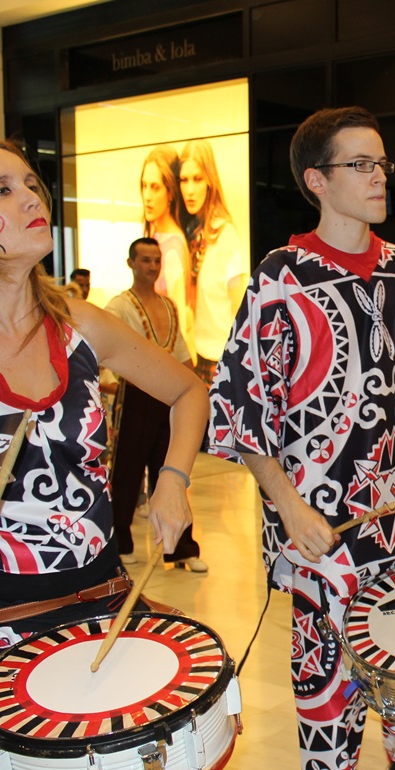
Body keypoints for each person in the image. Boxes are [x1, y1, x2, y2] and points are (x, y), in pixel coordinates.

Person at [0, 137, 209, 770]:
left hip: (96, 608)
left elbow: (189, 391)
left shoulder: (80, 326)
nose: (31, 197)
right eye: (1, 190)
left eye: (30, 183)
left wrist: (175, 480)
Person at [206, 106, 395, 770]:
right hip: (325, 525)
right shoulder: (281, 279)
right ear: (316, 180)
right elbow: (242, 409)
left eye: (382, 163)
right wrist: (286, 504)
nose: (379, 176)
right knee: (326, 677)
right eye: (361, 164)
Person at [106, 238, 207, 572]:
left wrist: (194, 390)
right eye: (145, 260)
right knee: (127, 473)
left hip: (169, 398)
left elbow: (181, 355)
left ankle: (180, 548)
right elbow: (108, 352)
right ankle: (120, 542)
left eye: (156, 260)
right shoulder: (119, 306)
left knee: (173, 471)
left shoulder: (169, 306)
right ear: (131, 263)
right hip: (134, 397)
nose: (151, 267)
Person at [179, 139, 247, 382]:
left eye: (197, 179)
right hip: (195, 354)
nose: (189, 190)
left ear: (209, 180)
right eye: (184, 180)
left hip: (219, 357)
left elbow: (241, 306)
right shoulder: (193, 233)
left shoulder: (225, 235)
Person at [141, 145, 191, 330]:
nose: (147, 196)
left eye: (155, 187)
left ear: (169, 193)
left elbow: (180, 323)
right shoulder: (157, 236)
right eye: (144, 186)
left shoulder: (172, 248)